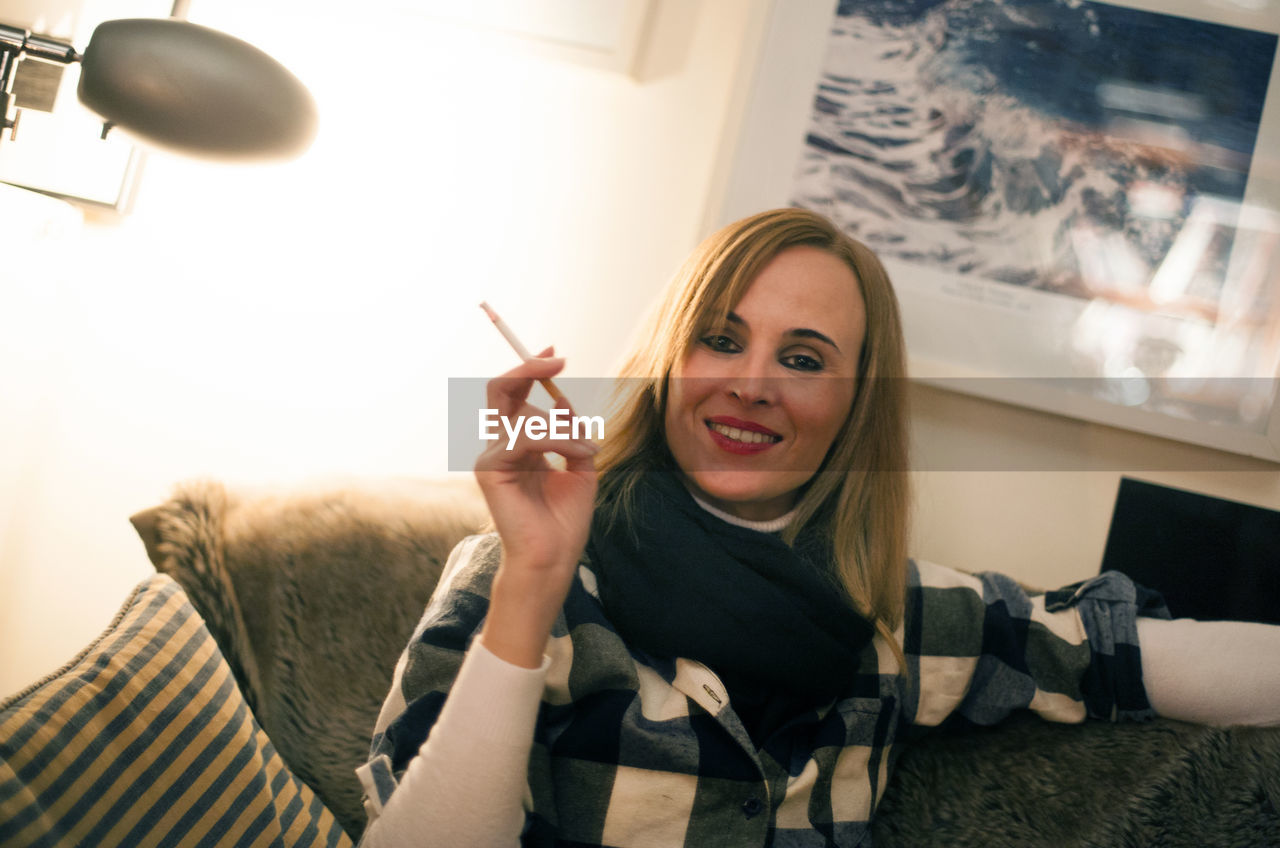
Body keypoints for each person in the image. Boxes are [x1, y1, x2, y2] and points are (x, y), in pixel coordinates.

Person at [356, 208, 1280, 847]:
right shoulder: (523, 580)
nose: (751, 381)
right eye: (720, 338)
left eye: (802, 358)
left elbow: (1130, 655)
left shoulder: (898, 615)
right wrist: (532, 581)